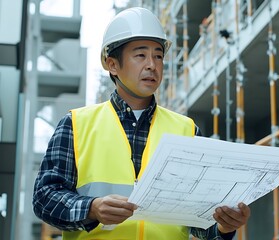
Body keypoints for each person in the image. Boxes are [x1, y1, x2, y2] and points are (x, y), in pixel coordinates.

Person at [33, 7, 250, 240]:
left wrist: (224, 228)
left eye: (158, 56)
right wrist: (91, 208)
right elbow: (44, 197)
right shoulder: (76, 124)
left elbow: (198, 221)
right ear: (112, 65)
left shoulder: (186, 130)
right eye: (140, 55)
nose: (152, 65)